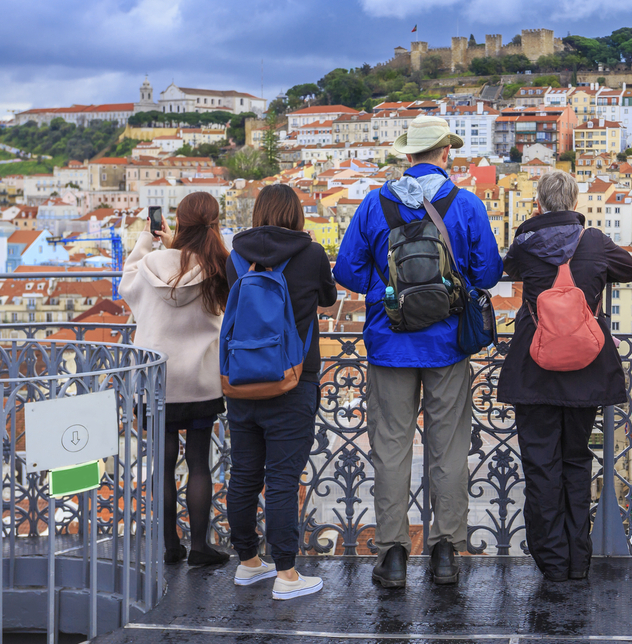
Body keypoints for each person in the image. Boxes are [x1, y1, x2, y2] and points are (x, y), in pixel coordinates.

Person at [334, 115, 502, 588]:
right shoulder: (464, 203)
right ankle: (445, 551)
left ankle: (391, 555)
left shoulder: (374, 203)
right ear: (445, 154)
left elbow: (345, 271)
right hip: (448, 343)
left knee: (390, 449)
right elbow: (488, 272)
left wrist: (385, 290)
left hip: (389, 341)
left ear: (408, 156)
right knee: (447, 448)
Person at [497, 170, 632, 581]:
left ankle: (552, 561)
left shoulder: (525, 244)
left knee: (541, 465)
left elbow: (504, 270)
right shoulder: (593, 241)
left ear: (538, 203)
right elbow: (628, 270)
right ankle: (579, 559)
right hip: (584, 366)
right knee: (577, 461)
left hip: (533, 367)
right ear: (576, 202)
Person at [224, 184, 337, 600]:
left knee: (244, 475)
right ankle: (287, 574)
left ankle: (249, 563)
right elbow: (328, 297)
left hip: (241, 381)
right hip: (293, 380)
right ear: (296, 214)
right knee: (283, 480)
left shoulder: (235, 255)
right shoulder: (310, 255)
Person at [120, 192, 230, 566]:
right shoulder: (218, 266)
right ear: (214, 225)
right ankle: (200, 546)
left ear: (178, 224)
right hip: (200, 378)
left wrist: (147, 241)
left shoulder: (151, 263)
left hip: (156, 380)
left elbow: (128, 286)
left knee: (163, 464)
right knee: (199, 462)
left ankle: (170, 546)